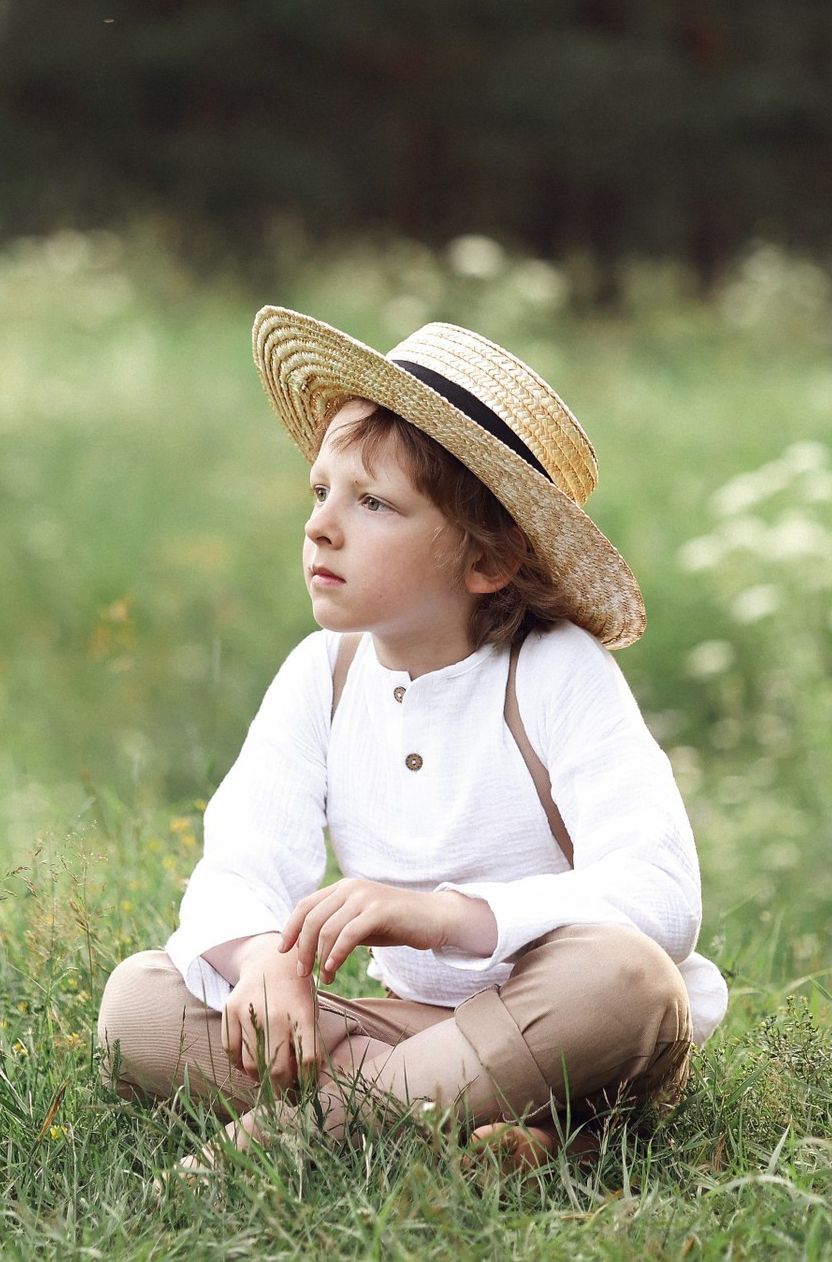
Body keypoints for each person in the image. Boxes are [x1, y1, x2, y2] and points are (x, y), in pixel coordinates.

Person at [96, 307, 727, 1167]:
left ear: (487, 562)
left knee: (631, 979)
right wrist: (259, 961)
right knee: (140, 1005)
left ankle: (308, 1137)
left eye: (375, 503)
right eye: (321, 492)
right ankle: (503, 1132)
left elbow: (662, 897)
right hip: (420, 1034)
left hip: (559, 1021)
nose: (322, 525)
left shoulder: (552, 670)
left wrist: (442, 915)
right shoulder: (324, 672)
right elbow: (240, 862)